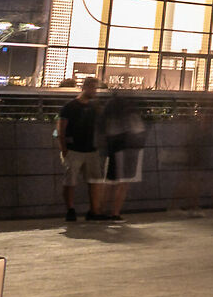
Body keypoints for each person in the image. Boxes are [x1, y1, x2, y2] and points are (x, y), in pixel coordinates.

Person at [56, 77, 102, 221]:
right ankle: (70, 209)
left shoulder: (94, 107)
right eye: (93, 88)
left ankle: (94, 211)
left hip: (91, 149)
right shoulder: (70, 106)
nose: (95, 91)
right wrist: (64, 149)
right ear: (85, 87)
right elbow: (61, 129)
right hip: (74, 149)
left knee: (94, 181)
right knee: (71, 181)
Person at [99, 85, 147, 220]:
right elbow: (139, 125)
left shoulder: (109, 105)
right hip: (129, 146)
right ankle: (115, 212)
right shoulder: (130, 105)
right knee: (124, 182)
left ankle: (101, 210)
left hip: (113, 146)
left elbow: (103, 126)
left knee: (110, 181)